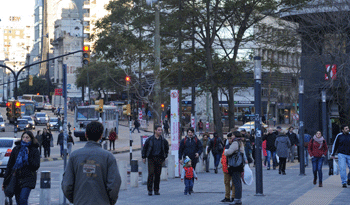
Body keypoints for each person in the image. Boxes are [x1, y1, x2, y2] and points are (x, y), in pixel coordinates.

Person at [62, 121, 122, 204]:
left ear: (86, 135)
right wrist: (109, 201)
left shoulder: (74, 156)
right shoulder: (108, 157)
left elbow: (67, 185)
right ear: (101, 136)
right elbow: (114, 184)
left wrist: (76, 199)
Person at [2, 131, 40, 205]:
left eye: (27, 137)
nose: (25, 139)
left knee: (23, 199)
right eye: (23, 137)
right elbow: (10, 166)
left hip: (28, 179)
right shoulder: (16, 149)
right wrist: (5, 181)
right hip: (17, 179)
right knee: (19, 201)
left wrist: (28, 157)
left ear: (31, 139)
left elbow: (36, 166)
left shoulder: (34, 150)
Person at [142, 125, 169, 196]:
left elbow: (166, 148)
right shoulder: (150, 139)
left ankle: (156, 190)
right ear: (155, 131)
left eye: (161, 130)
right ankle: (150, 190)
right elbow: (145, 148)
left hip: (159, 158)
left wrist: (165, 156)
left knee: (157, 175)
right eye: (159, 130)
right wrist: (144, 157)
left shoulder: (163, 140)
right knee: (151, 174)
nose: (160, 131)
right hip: (151, 158)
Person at [224, 131, 248, 205]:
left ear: (235, 135)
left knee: (236, 182)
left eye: (233, 135)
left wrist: (226, 151)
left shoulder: (235, 143)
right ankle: (238, 199)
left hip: (234, 165)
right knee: (238, 182)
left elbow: (229, 152)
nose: (232, 136)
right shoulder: (241, 142)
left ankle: (237, 200)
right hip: (239, 164)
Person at [221, 132, 235, 203]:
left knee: (233, 183)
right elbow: (224, 157)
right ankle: (227, 196)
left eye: (230, 138)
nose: (229, 140)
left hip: (232, 167)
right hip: (226, 167)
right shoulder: (226, 146)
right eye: (228, 138)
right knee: (226, 182)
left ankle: (233, 197)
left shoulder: (235, 145)